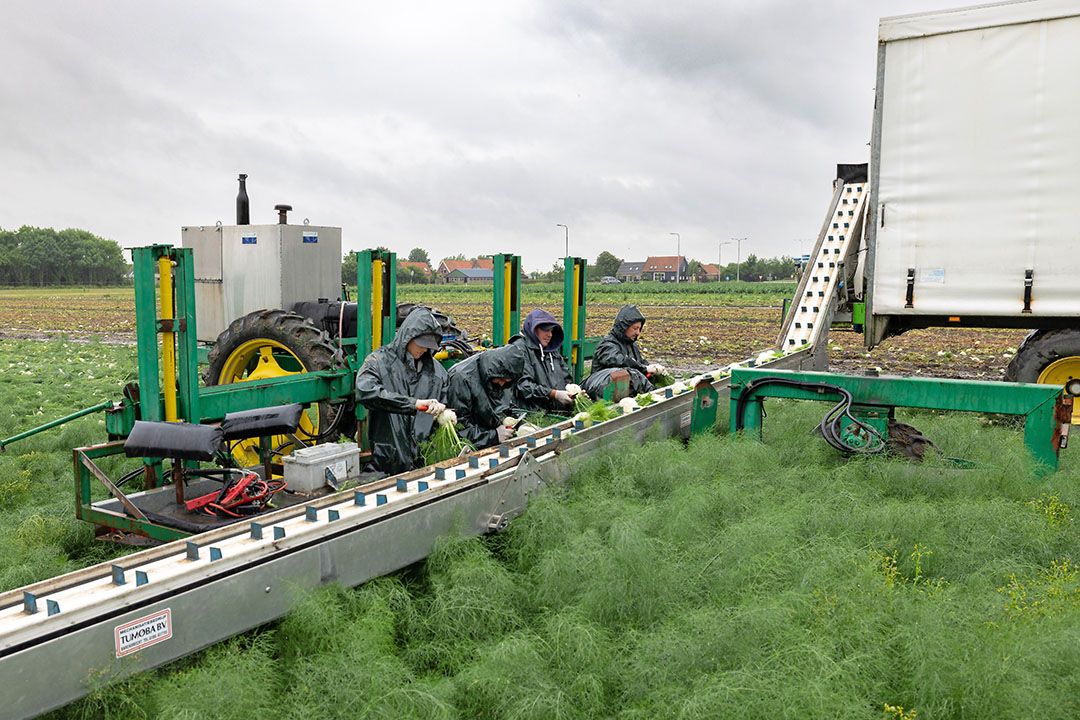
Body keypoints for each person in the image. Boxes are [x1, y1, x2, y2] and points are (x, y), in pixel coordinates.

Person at [355, 307, 448, 475]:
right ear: (408, 337)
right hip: (387, 462)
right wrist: (414, 404)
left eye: (429, 346)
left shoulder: (438, 373)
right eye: (421, 344)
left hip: (424, 463)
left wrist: (443, 412)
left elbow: (447, 401)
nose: (424, 350)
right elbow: (365, 391)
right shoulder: (378, 361)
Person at [446, 343, 526, 449]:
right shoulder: (461, 379)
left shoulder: (498, 378)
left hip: (488, 436)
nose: (502, 384)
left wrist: (512, 421)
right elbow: (459, 428)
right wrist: (493, 436)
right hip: (468, 446)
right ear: (495, 371)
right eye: (501, 379)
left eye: (507, 381)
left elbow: (502, 405)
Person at [582, 304, 666, 399]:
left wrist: (653, 369)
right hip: (604, 389)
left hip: (624, 390)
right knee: (631, 374)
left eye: (639, 329)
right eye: (635, 328)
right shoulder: (607, 344)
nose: (638, 333)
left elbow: (640, 363)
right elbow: (617, 360)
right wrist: (645, 369)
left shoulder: (631, 344)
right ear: (624, 327)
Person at [509, 308, 574, 413]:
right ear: (534, 330)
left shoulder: (551, 350)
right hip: (532, 415)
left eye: (551, 330)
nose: (550, 335)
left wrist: (573, 392)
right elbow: (524, 386)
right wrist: (553, 394)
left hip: (557, 413)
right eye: (546, 330)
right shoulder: (520, 349)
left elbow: (566, 377)